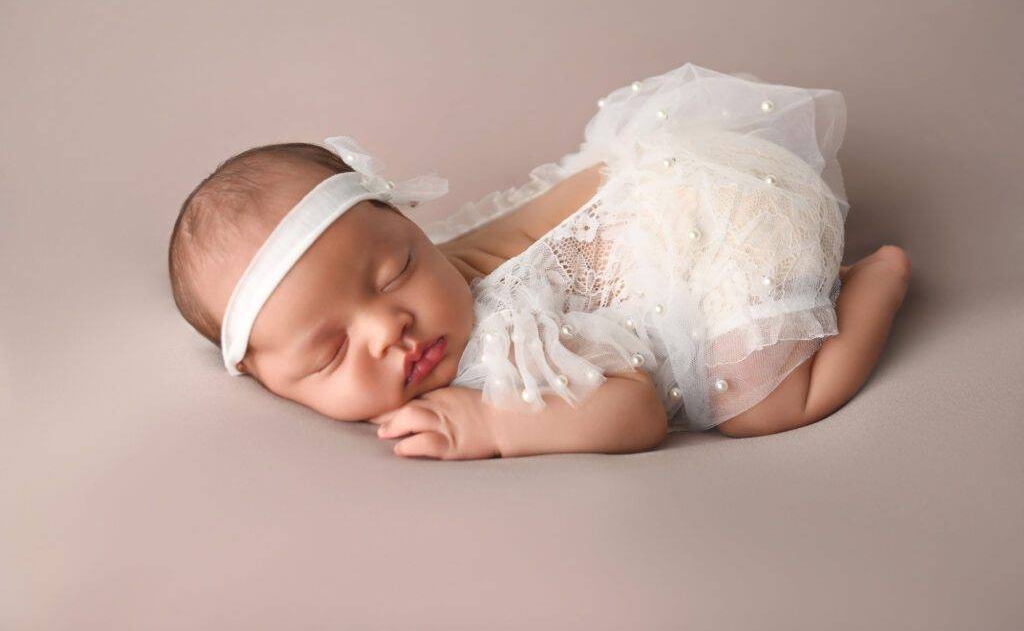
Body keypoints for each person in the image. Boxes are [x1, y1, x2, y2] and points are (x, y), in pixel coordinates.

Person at [167, 62, 911, 460]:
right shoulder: (423, 290)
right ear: (269, 383)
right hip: (689, 201)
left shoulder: (499, 339)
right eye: (331, 350)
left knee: (765, 407)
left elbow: (636, 409)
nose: (391, 324)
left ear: (407, 225)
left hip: (731, 214)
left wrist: (494, 424)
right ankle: (796, 299)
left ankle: (876, 278)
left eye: (395, 270)